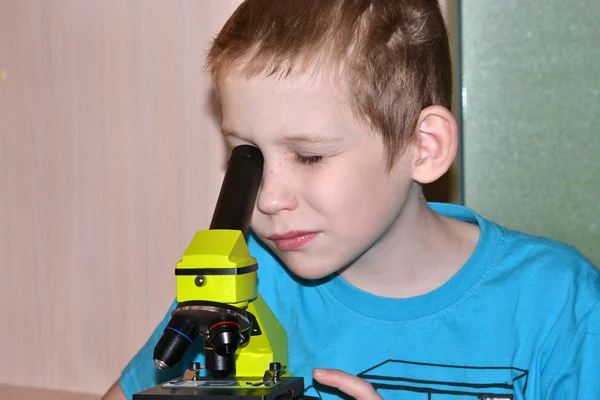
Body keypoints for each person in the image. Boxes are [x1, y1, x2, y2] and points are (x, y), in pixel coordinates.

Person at [102, 0, 600, 399]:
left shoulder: (556, 305)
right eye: (248, 156)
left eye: (310, 156)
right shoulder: (243, 288)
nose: (269, 199)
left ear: (422, 148)